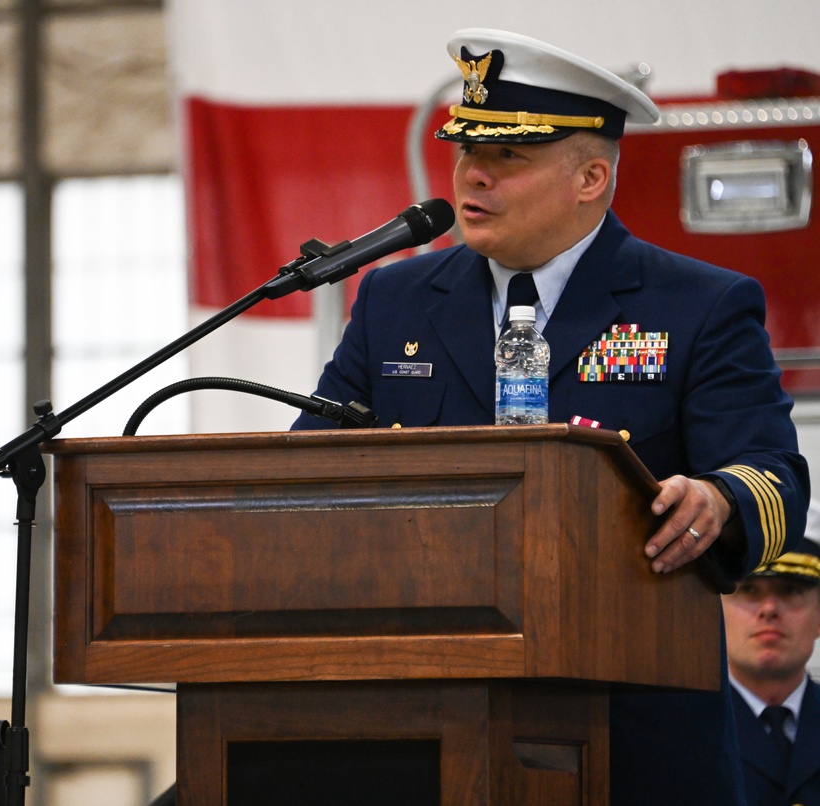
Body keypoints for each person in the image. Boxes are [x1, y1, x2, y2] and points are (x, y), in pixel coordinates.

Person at [291, 27, 811, 806]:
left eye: (510, 158)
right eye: (467, 151)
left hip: (632, 736)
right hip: (426, 729)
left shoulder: (700, 306)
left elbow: (773, 480)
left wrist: (716, 500)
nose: (474, 176)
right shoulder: (395, 299)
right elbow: (307, 480)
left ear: (591, 177)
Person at [724, 507, 820, 806]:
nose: (769, 609)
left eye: (790, 590)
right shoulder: (676, 730)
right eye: (749, 589)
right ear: (716, 611)